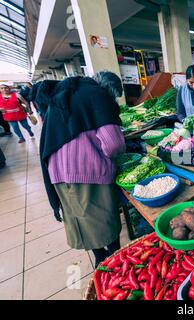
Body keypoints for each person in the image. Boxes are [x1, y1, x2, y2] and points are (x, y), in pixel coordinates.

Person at [40, 71, 126, 267]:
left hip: (58, 169)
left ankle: (99, 256)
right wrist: (122, 148)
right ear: (109, 91)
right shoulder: (99, 96)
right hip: (86, 169)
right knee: (104, 216)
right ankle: (115, 258)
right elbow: (113, 144)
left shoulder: (73, 91)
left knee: (80, 216)